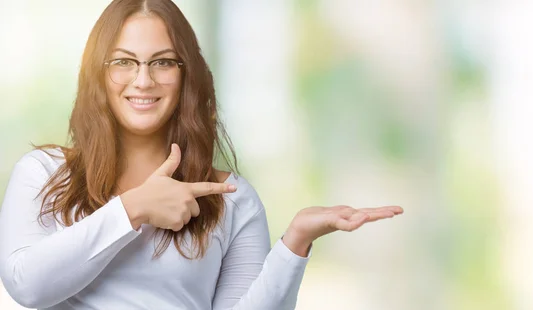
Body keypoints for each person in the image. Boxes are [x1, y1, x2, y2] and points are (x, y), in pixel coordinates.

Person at [0, 0, 403, 309]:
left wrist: (295, 241)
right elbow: (27, 287)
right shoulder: (45, 173)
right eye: (123, 61)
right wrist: (134, 208)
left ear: (186, 74)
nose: (143, 80)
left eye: (162, 62)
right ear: (97, 74)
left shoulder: (231, 198)